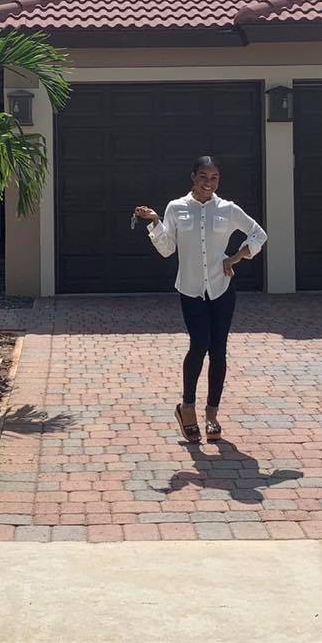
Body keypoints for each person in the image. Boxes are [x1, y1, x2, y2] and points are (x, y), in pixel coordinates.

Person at [134, 156, 268, 444]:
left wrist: (237, 256)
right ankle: (188, 408)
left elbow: (259, 234)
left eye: (215, 177)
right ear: (193, 177)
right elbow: (167, 249)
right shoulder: (176, 208)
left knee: (219, 351)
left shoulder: (228, 209)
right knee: (199, 345)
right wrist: (156, 222)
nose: (209, 183)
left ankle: (212, 414)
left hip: (222, 289)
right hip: (191, 289)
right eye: (204, 177)